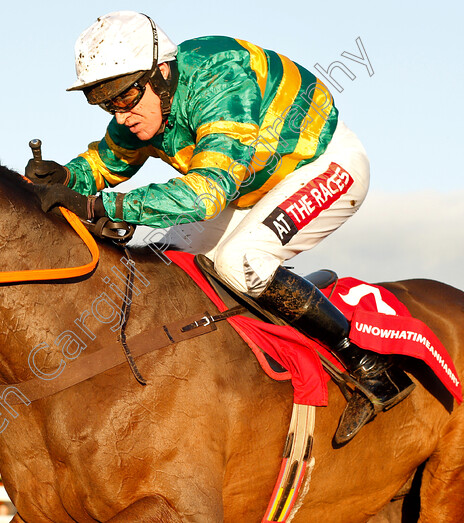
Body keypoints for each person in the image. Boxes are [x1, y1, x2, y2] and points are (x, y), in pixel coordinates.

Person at [26, 11, 413, 445]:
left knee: (241, 262)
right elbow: (103, 165)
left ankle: (368, 367)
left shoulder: (221, 77)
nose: (122, 113)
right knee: (162, 262)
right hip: (249, 190)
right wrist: (64, 178)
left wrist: (103, 204)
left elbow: (206, 194)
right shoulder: (143, 105)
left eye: (127, 97)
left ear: (162, 73)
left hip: (324, 165)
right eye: (107, 103)